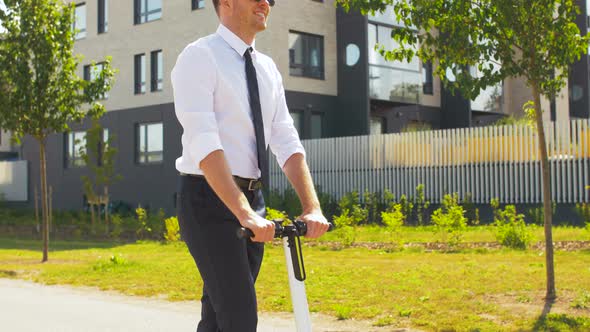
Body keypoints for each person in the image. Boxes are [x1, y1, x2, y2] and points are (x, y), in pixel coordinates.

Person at [171, 0, 331, 331]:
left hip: (252, 202)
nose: (266, 3)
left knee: (218, 319)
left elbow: (286, 140)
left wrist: (311, 206)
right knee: (240, 318)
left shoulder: (268, 69)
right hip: (208, 201)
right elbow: (204, 141)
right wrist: (244, 213)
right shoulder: (199, 57)